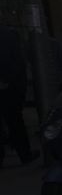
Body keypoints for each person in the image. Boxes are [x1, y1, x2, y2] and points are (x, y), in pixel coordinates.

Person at [0, 25, 34, 168]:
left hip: (9, 84)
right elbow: (18, 61)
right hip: (11, 85)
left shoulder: (9, 35)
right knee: (15, 120)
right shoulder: (10, 34)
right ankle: (24, 153)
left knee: (13, 120)